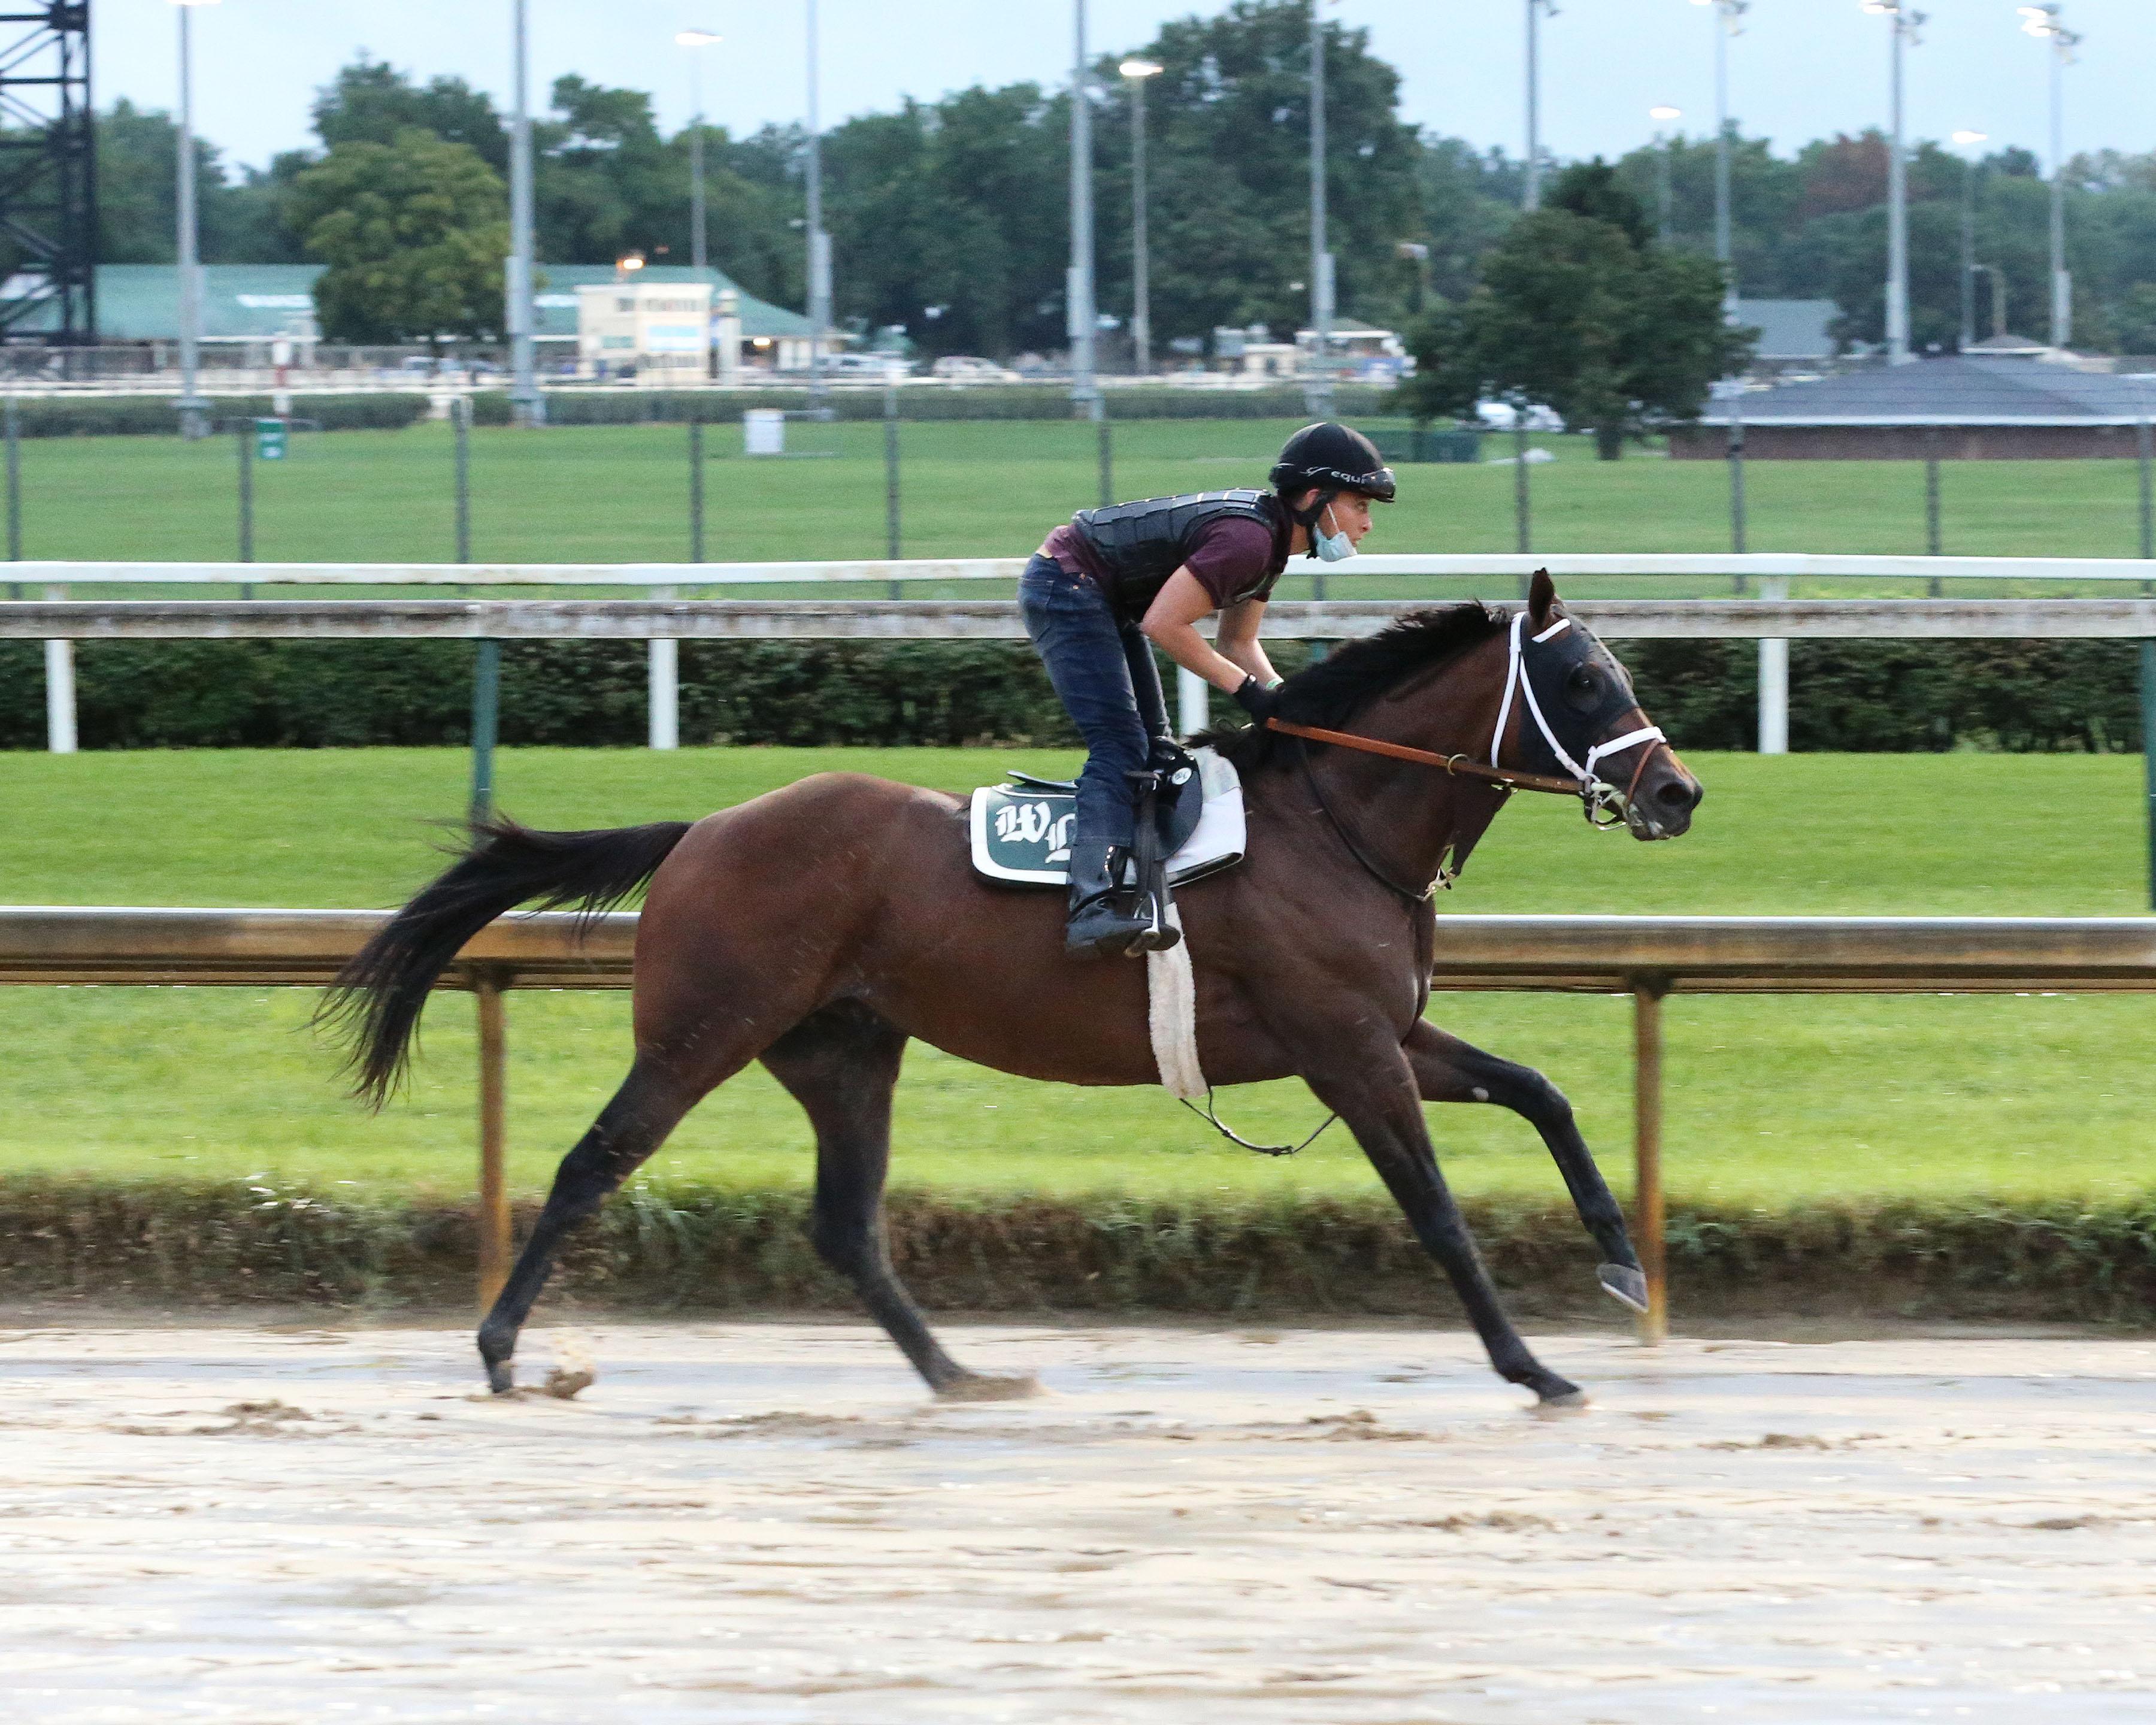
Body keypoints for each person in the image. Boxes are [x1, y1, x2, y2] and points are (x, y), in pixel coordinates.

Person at [1019, 420, 1395, 958]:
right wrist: (1250, 694)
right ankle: (1090, 908)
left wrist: (1286, 701)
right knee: (1122, 747)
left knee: (1156, 747)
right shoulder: (1248, 540)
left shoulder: (1269, 547)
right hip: (1068, 585)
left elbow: (1239, 642)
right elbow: (1166, 626)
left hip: (1102, 595)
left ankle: (1139, 879)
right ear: (1317, 499)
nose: (1367, 523)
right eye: (1361, 505)